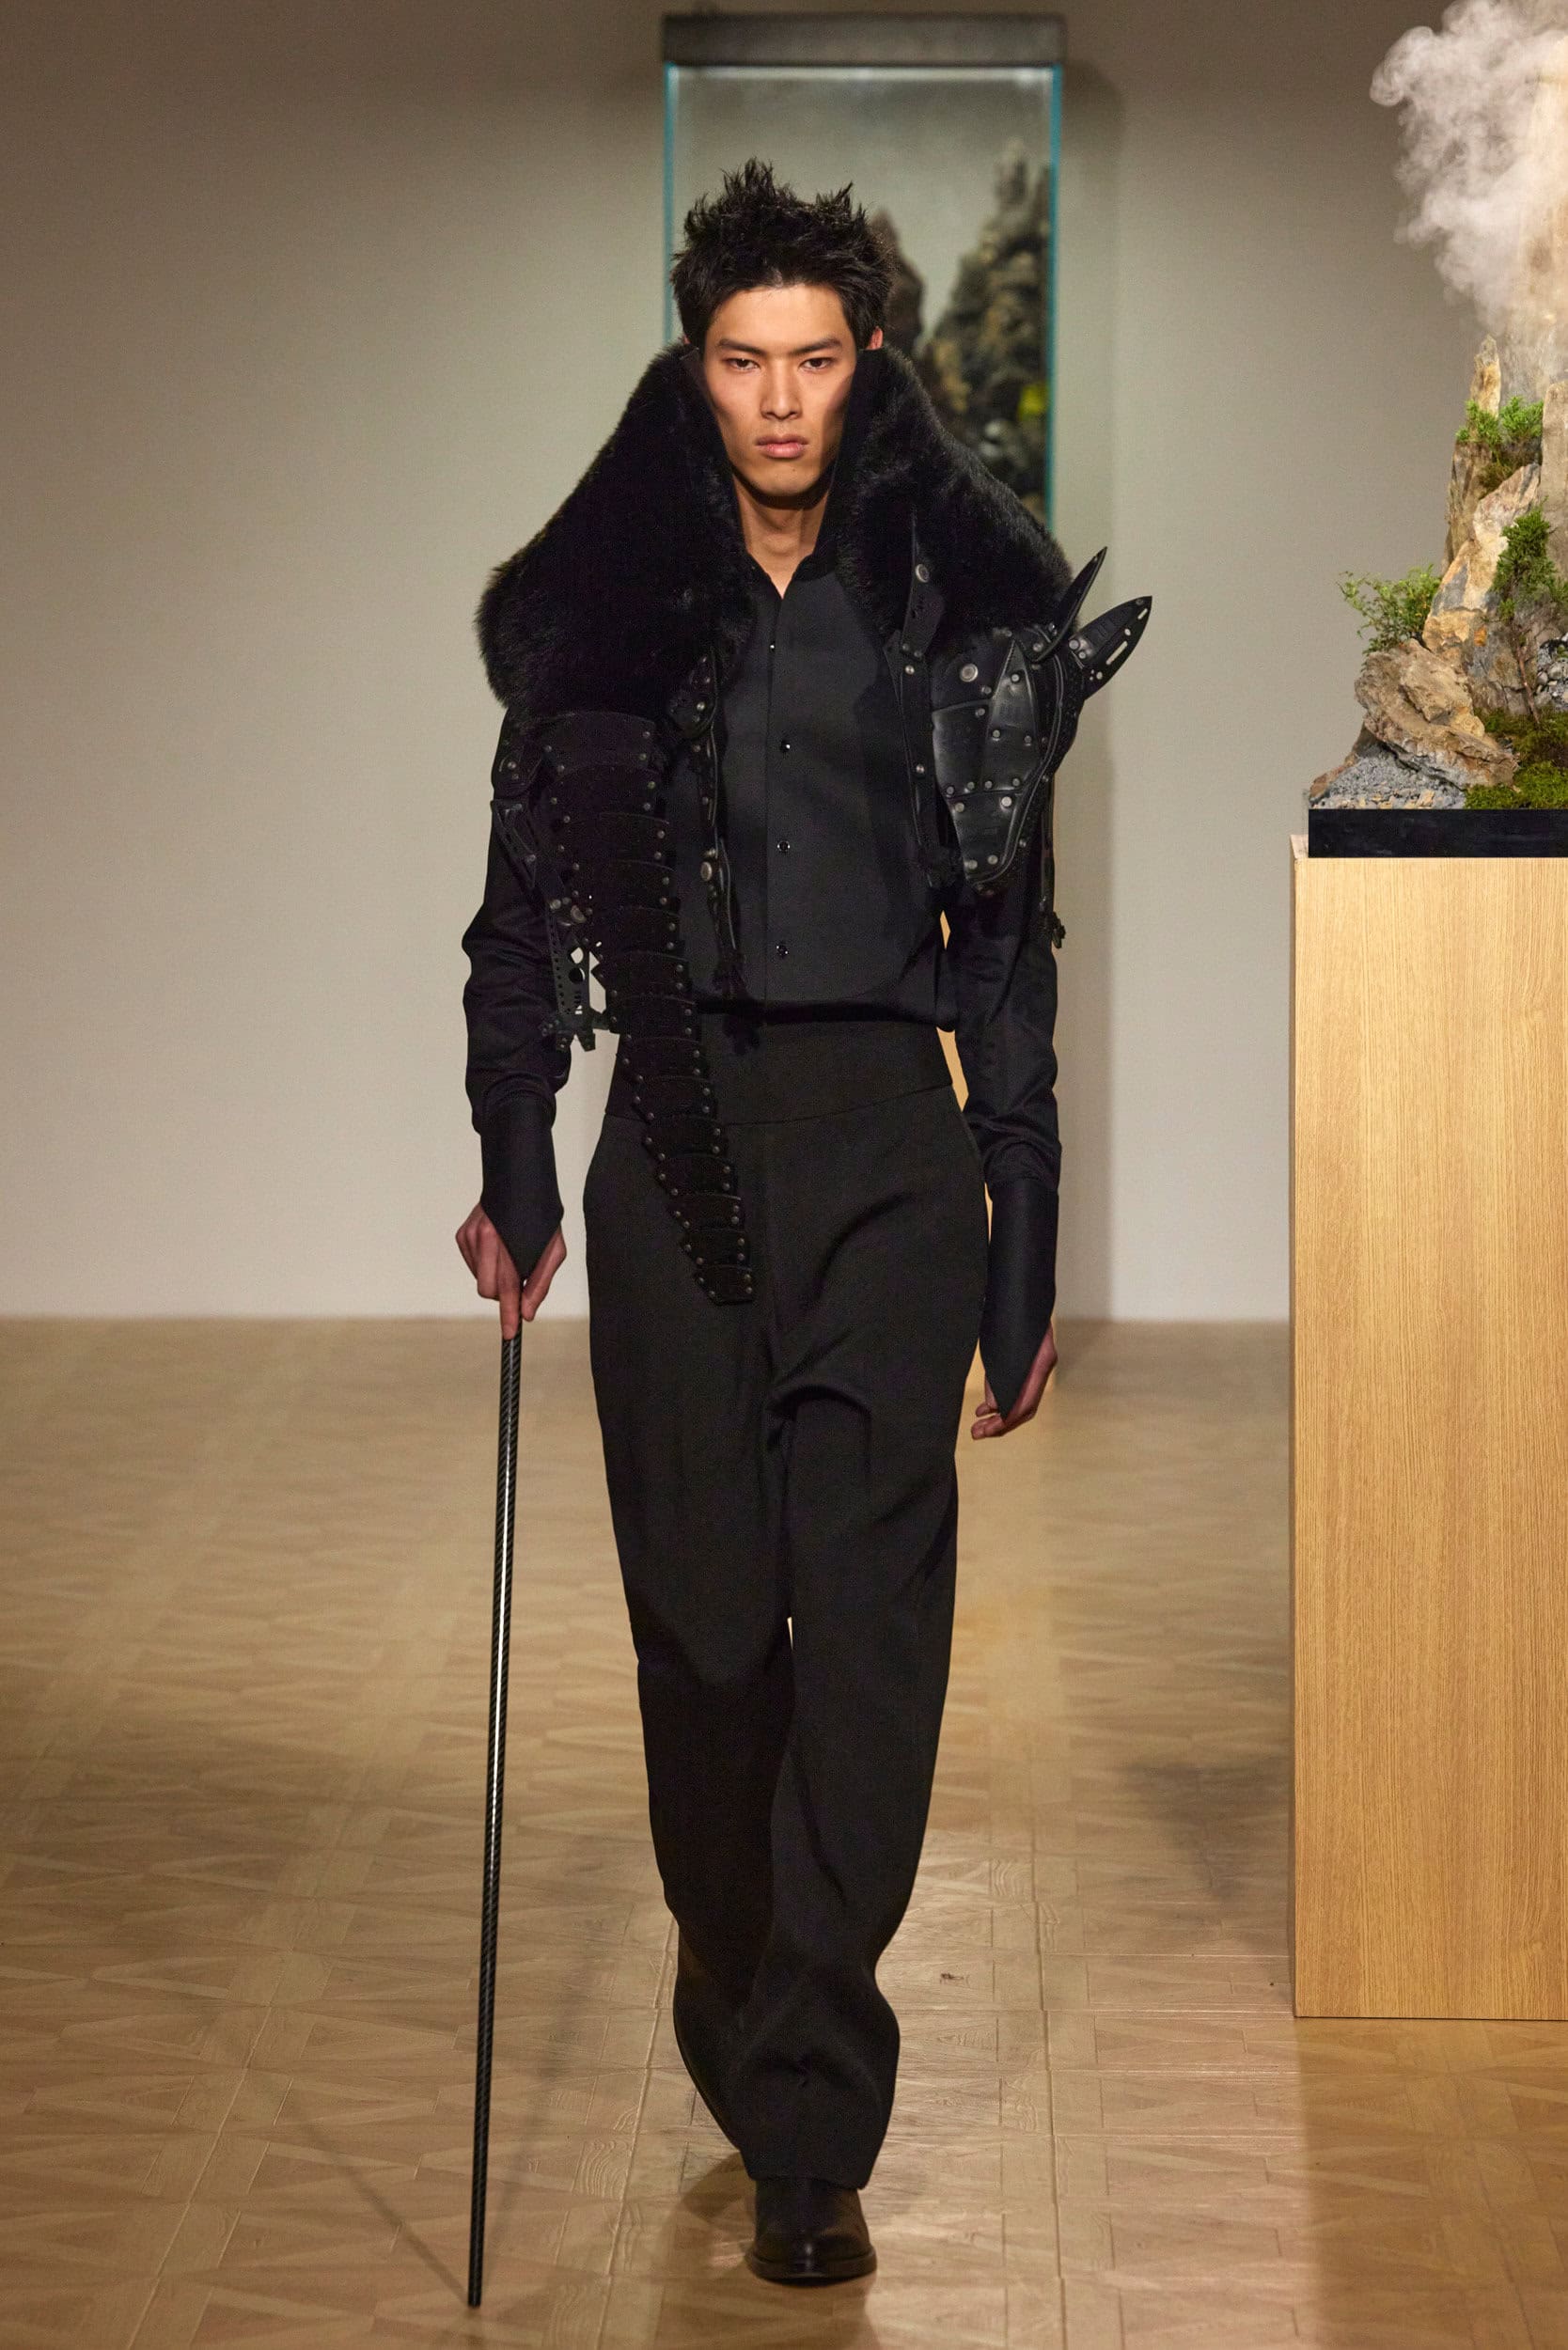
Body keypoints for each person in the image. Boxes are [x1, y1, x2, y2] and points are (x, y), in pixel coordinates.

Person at [455, 158, 1148, 2287]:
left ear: (870, 366)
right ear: (696, 366)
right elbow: (515, 916)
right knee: (699, 1641)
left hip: (883, 1149)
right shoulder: (617, 617)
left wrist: (1024, 1241)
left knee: (868, 1636)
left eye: (815, 360)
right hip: (671, 1142)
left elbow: (1011, 952)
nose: (778, 400)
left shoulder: (947, 619)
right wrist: (510, 1154)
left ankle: (812, 2121)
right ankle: (746, 1989)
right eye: (743, 360)